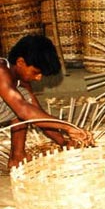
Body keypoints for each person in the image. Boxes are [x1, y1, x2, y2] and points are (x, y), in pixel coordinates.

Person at [1, 34, 94, 168]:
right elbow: (23, 111)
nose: (38, 78)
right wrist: (67, 126)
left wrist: (65, 142)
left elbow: (36, 115)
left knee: (23, 100)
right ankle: (17, 156)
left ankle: (17, 156)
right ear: (20, 62)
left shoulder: (21, 81)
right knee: (21, 105)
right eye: (36, 72)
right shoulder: (1, 71)